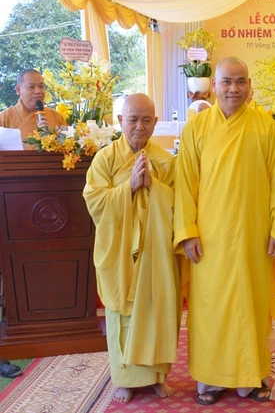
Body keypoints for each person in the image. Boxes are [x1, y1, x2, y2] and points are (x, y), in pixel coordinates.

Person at [174, 57, 275, 405]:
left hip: (255, 235)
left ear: (249, 86)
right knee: (211, 307)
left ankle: (252, 377)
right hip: (209, 238)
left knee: (250, 305)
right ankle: (210, 380)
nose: (233, 89)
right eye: (226, 82)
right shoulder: (196, 128)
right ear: (214, 85)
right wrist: (188, 231)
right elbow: (184, 184)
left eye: (240, 82)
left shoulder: (266, 127)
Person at [83, 93, 180, 404]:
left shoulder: (165, 161)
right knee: (122, 314)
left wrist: (154, 186)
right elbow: (94, 200)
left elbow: (179, 203)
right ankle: (125, 379)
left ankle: (156, 377)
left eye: (146, 120)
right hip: (120, 250)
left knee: (156, 312)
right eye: (133, 119)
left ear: (155, 122)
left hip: (155, 251)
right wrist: (130, 187)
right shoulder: (106, 159)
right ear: (120, 121)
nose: (140, 126)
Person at [0, 69, 67, 146]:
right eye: (31, 87)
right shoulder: (4, 118)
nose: (38, 91)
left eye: (41, 86)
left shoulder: (56, 117)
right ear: (18, 90)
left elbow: (69, 146)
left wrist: (50, 136)